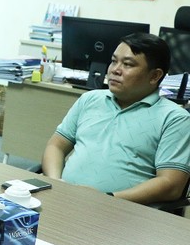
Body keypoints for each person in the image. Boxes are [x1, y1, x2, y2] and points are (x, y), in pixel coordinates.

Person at [42, 33, 190, 204]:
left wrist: (108, 199)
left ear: (155, 76)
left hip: (124, 214)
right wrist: (56, 182)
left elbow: (171, 185)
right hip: (66, 199)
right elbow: (56, 145)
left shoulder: (175, 119)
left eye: (127, 64)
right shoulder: (90, 99)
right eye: (113, 61)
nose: (114, 70)